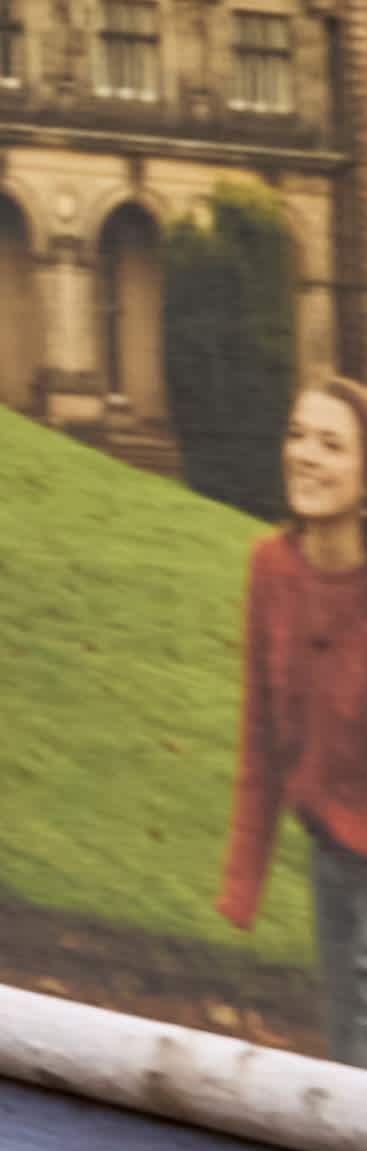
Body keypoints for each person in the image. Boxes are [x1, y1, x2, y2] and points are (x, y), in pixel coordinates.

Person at [221, 367, 367, 1056]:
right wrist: (241, 880)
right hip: (331, 852)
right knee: (347, 1065)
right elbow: (259, 736)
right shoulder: (269, 568)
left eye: (331, 443)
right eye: (296, 434)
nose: (305, 454)